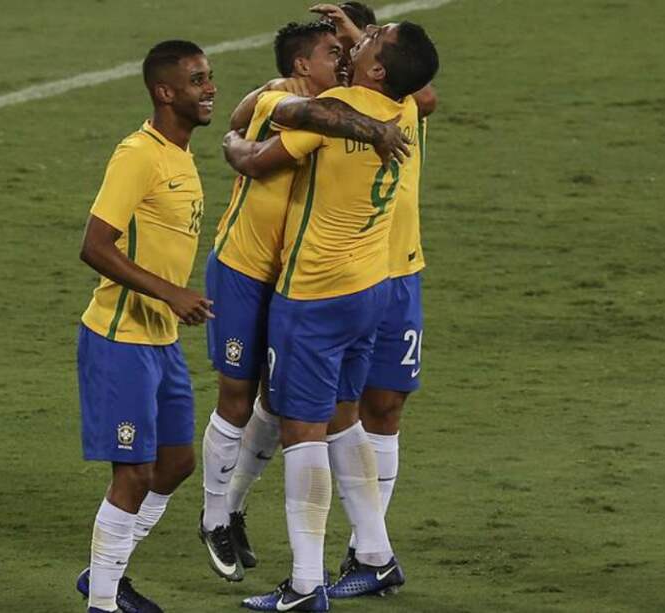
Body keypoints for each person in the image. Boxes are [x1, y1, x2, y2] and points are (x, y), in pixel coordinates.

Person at [223, 21, 438, 611]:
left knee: (302, 432)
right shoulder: (408, 112)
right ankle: (373, 553)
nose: (359, 38)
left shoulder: (337, 104)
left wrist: (233, 143)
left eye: (371, 39)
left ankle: (304, 583)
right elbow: (411, 87)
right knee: (345, 416)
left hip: (314, 292)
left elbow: (265, 151)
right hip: (371, 288)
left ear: (374, 70)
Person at [73, 40, 216, 613]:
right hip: (119, 339)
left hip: (160, 340)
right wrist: (170, 292)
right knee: (132, 474)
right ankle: (103, 603)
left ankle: (104, 572)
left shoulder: (181, 154)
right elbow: (93, 246)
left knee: (177, 462)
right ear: (165, 92)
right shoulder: (139, 154)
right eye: (197, 80)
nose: (209, 88)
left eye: (209, 77)